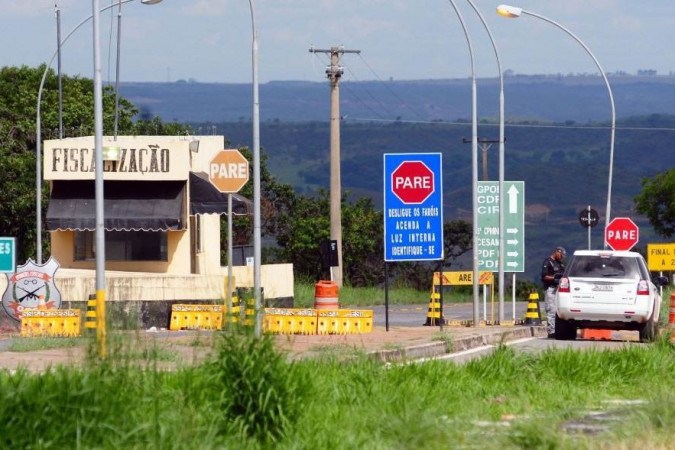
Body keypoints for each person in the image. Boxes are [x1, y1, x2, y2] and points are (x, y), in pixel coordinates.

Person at [541, 246, 566, 338]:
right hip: (550, 289)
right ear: (557, 252)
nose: (562, 257)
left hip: (559, 289)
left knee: (559, 311)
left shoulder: (560, 264)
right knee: (551, 310)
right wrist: (555, 277)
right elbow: (544, 276)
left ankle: (559, 330)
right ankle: (551, 331)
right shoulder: (548, 262)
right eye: (561, 255)